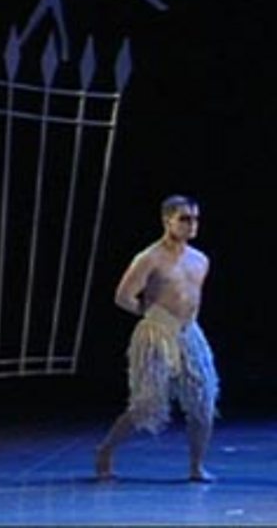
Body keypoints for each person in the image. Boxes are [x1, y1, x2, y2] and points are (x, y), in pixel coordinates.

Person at [94, 195, 219, 482]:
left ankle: (196, 466)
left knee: (204, 401)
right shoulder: (149, 258)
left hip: (189, 333)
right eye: (184, 219)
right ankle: (106, 450)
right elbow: (123, 296)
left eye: (195, 219)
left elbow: (192, 298)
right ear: (167, 221)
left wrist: (185, 325)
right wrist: (154, 316)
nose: (192, 225)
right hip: (156, 333)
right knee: (146, 406)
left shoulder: (200, 259)